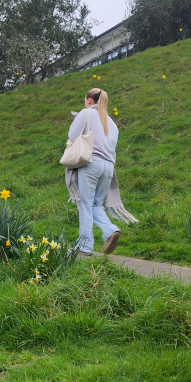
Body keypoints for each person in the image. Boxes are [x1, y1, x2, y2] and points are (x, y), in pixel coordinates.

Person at [64, 86, 136, 258]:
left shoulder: (86, 113)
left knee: (85, 204)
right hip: (108, 168)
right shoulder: (112, 123)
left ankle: (85, 246)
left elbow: (72, 135)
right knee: (95, 204)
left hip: (91, 164)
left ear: (89, 100)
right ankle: (110, 230)